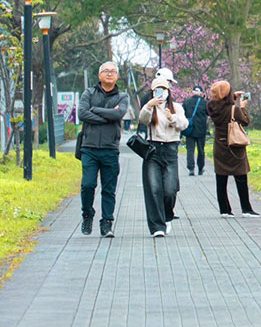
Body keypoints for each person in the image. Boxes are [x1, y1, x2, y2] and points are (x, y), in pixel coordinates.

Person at [78, 61, 129, 237]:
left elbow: (119, 114)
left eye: (113, 71)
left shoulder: (122, 96)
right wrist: (107, 117)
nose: (109, 74)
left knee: (109, 188)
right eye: (106, 71)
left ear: (117, 76)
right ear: (99, 75)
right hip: (89, 147)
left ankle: (107, 223)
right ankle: (87, 214)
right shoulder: (89, 93)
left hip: (110, 148)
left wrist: (96, 110)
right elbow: (82, 113)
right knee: (88, 185)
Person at [137, 76, 188, 237]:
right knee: (153, 188)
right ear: (153, 92)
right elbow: (142, 120)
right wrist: (148, 106)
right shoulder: (150, 107)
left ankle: (167, 215)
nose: (161, 93)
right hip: (153, 149)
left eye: (164, 89)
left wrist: (171, 117)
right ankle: (157, 227)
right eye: (157, 90)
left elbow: (184, 125)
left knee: (170, 189)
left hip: (171, 149)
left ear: (169, 91)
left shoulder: (176, 107)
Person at [207, 80, 259, 217]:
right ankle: (246, 208)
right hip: (234, 148)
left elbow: (220, 102)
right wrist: (242, 106)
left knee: (221, 179)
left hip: (220, 147)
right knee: (241, 178)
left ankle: (225, 210)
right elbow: (246, 121)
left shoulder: (212, 108)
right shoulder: (234, 110)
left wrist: (233, 97)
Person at [181, 85, 209, 176]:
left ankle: (191, 168)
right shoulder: (204, 103)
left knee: (190, 149)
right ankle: (200, 168)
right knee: (201, 150)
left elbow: (182, 114)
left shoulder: (186, 102)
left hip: (190, 129)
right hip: (201, 130)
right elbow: (209, 113)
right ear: (201, 93)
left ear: (192, 92)